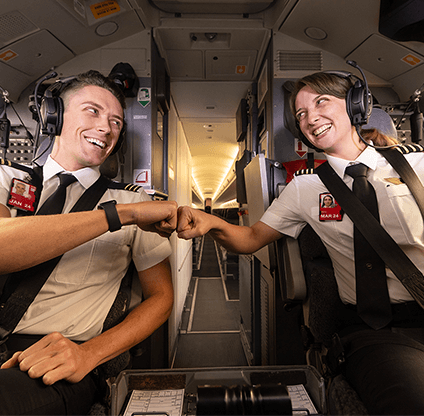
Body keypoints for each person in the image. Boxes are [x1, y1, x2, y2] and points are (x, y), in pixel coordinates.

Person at [177, 71, 424, 415]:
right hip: (376, 330)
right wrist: (211, 223)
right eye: (301, 114)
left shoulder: (417, 164)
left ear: (356, 104)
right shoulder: (303, 188)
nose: (311, 118)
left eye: (321, 102)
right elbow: (251, 238)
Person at [0, 70, 177, 415]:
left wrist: (89, 354)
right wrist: (118, 217)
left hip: (61, 357)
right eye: (93, 111)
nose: (106, 128)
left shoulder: (133, 201)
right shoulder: (6, 179)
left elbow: (162, 297)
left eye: (115, 121)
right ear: (55, 115)